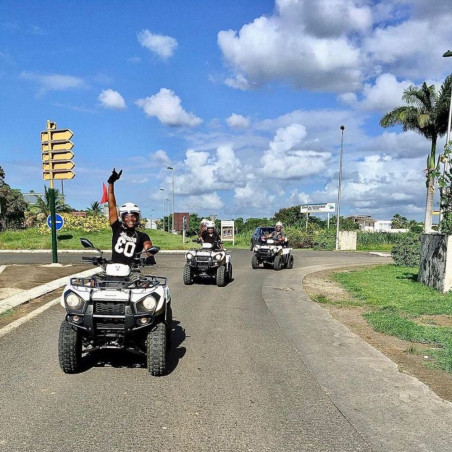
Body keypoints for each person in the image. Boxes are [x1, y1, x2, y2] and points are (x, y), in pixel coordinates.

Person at [107, 168, 154, 265]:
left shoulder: (142, 236)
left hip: (132, 271)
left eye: (134, 216)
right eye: (127, 216)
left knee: (144, 281)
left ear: (138, 217)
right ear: (122, 218)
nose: (131, 219)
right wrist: (111, 182)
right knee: (95, 280)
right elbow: (112, 206)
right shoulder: (117, 228)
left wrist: (150, 255)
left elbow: (148, 246)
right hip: (114, 268)